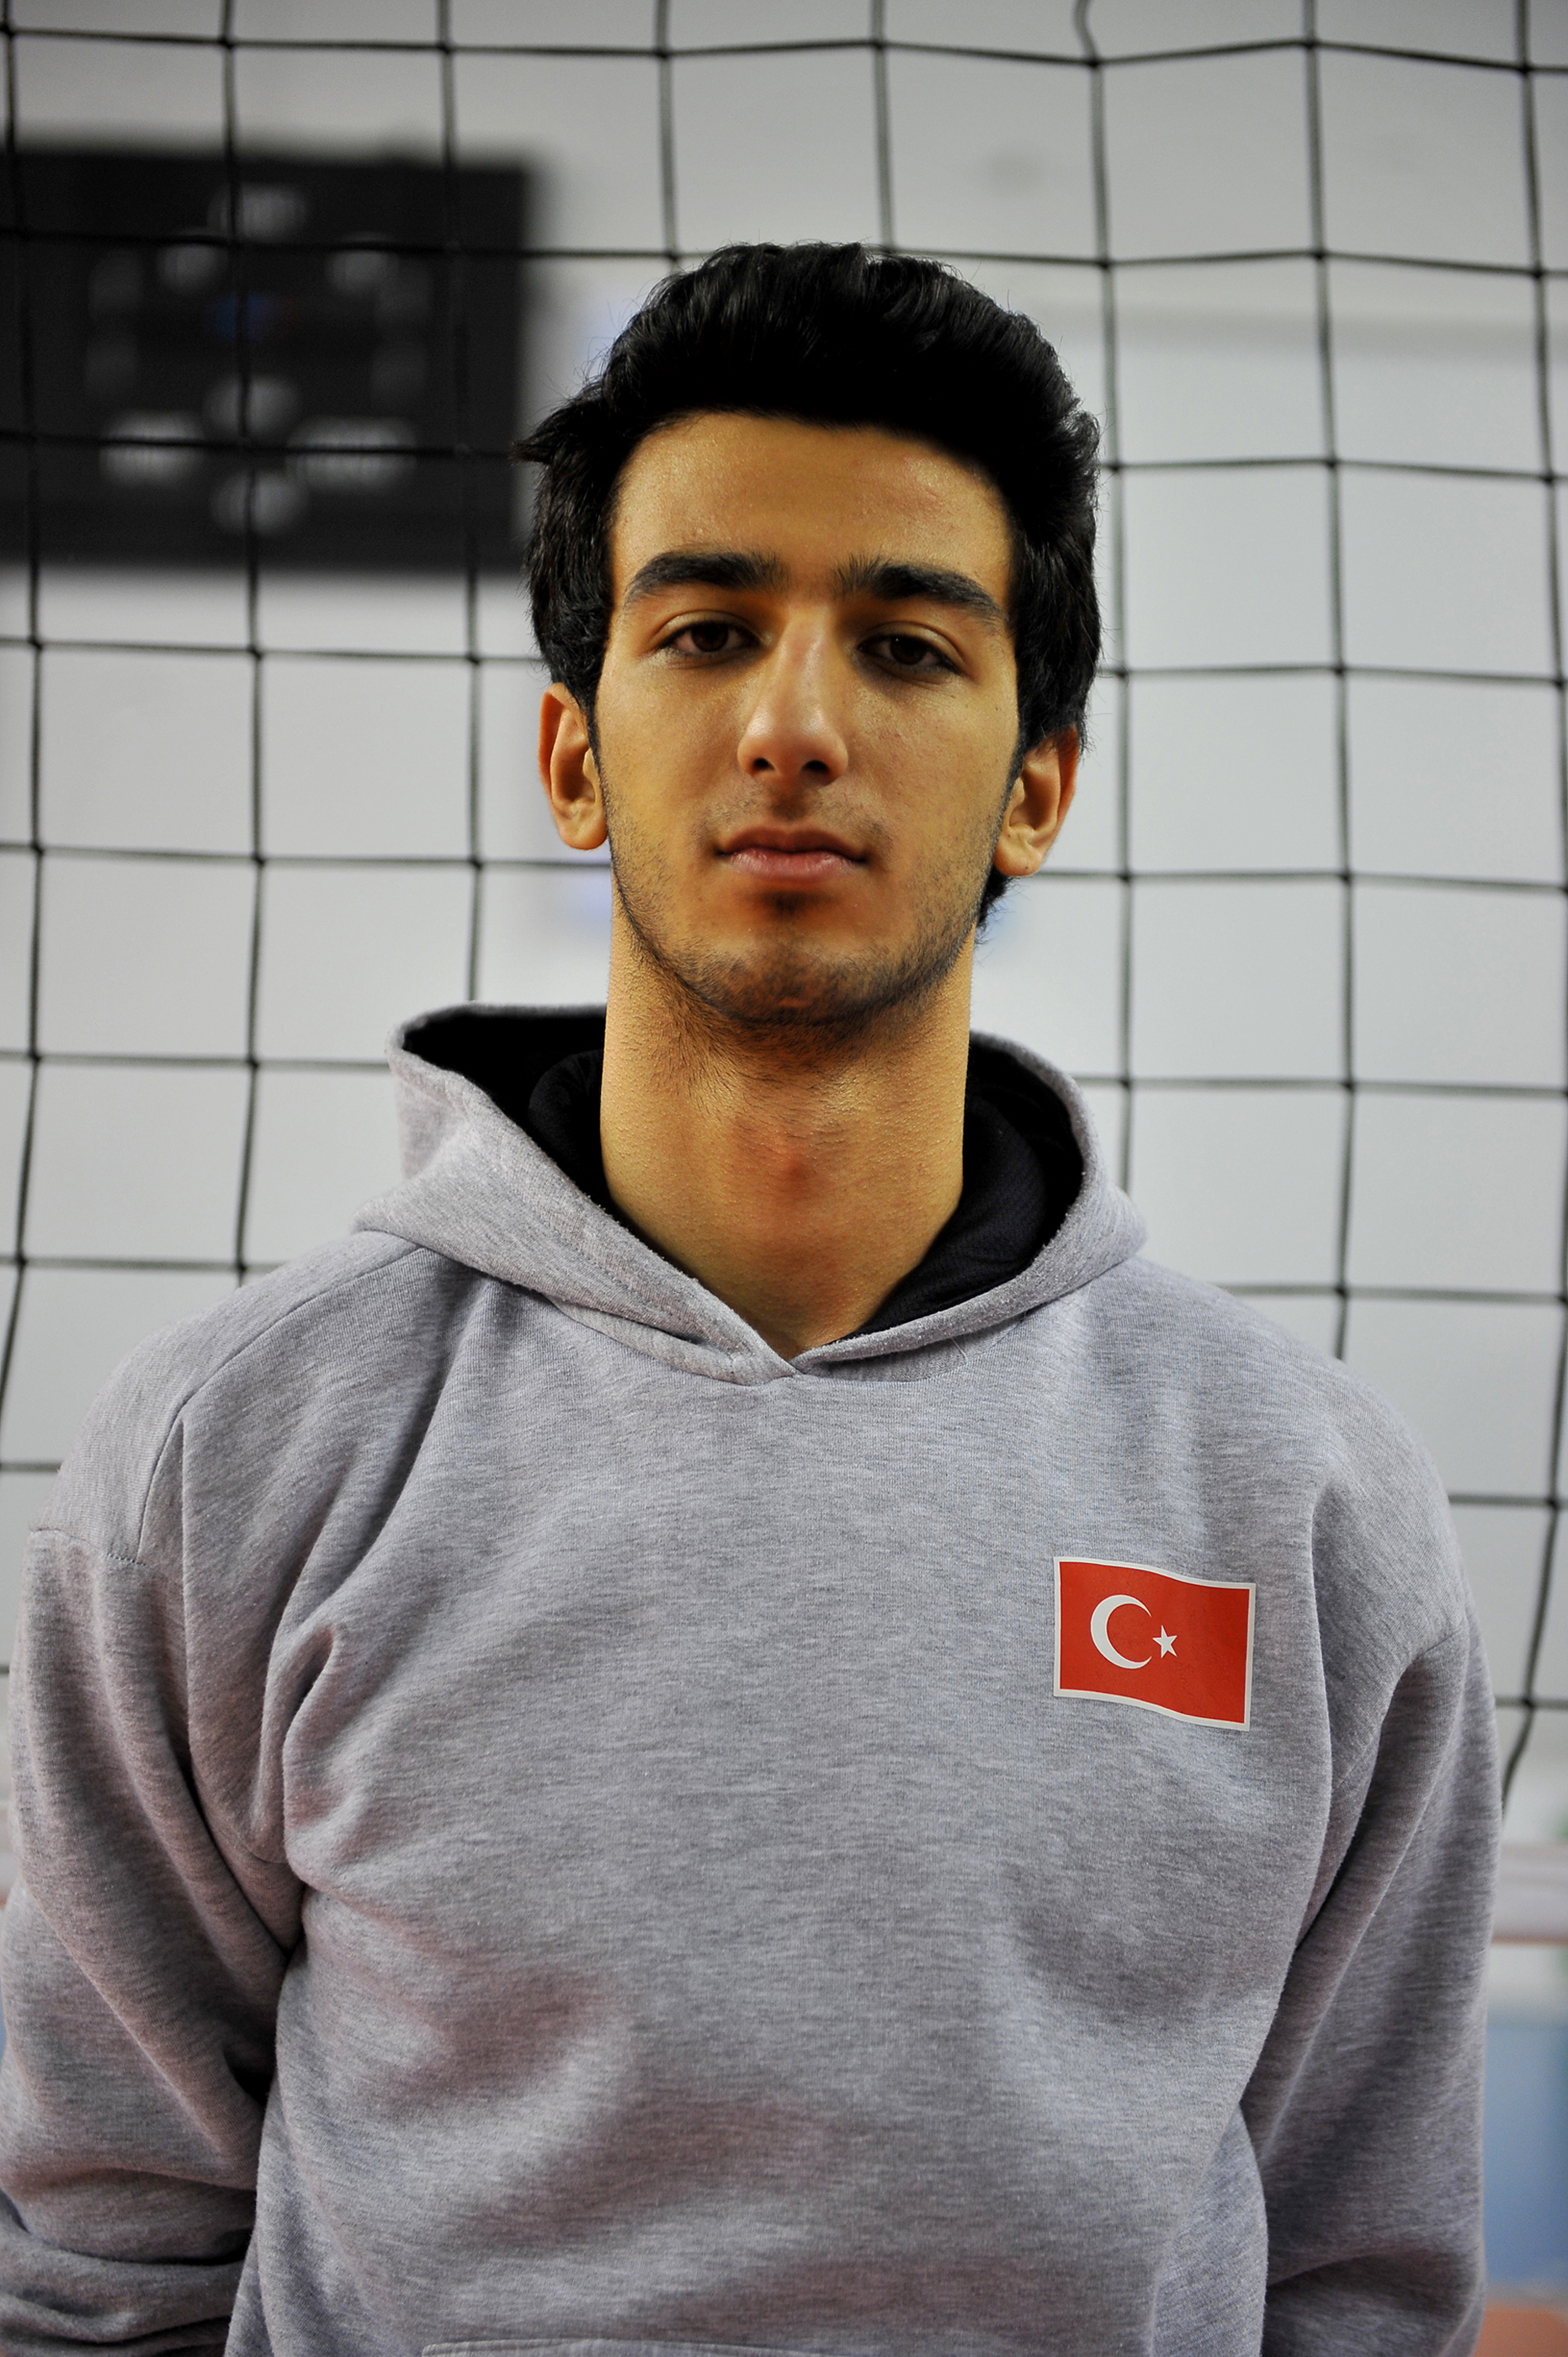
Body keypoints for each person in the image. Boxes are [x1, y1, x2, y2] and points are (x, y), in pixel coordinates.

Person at [0, 243, 1496, 2357]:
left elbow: (1358, 2275)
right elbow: (97, 2255)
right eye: (707, 630)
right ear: (574, 755)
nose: (793, 722)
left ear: (1037, 783)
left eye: (904, 644)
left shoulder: (1306, 1492)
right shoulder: (231, 1443)